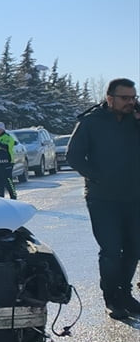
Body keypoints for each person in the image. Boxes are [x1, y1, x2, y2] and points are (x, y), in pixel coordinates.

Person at [66, 77, 140, 321]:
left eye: (134, 97)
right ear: (110, 98)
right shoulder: (91, 122)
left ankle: (124, 294)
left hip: (134, 197)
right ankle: (112, 298)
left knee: (134, 248)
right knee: (111, 250)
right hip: (103, 199)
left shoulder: (136, 121)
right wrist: (97, 178)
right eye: (125, 98)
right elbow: (74, 156)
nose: (131, 102)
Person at [0, 122, 18, 200]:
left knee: (8, 182)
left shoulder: (8, 137)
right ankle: (1, 199)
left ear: (2, 129)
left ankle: (14, 197)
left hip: (7, 163)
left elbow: (6, 148)